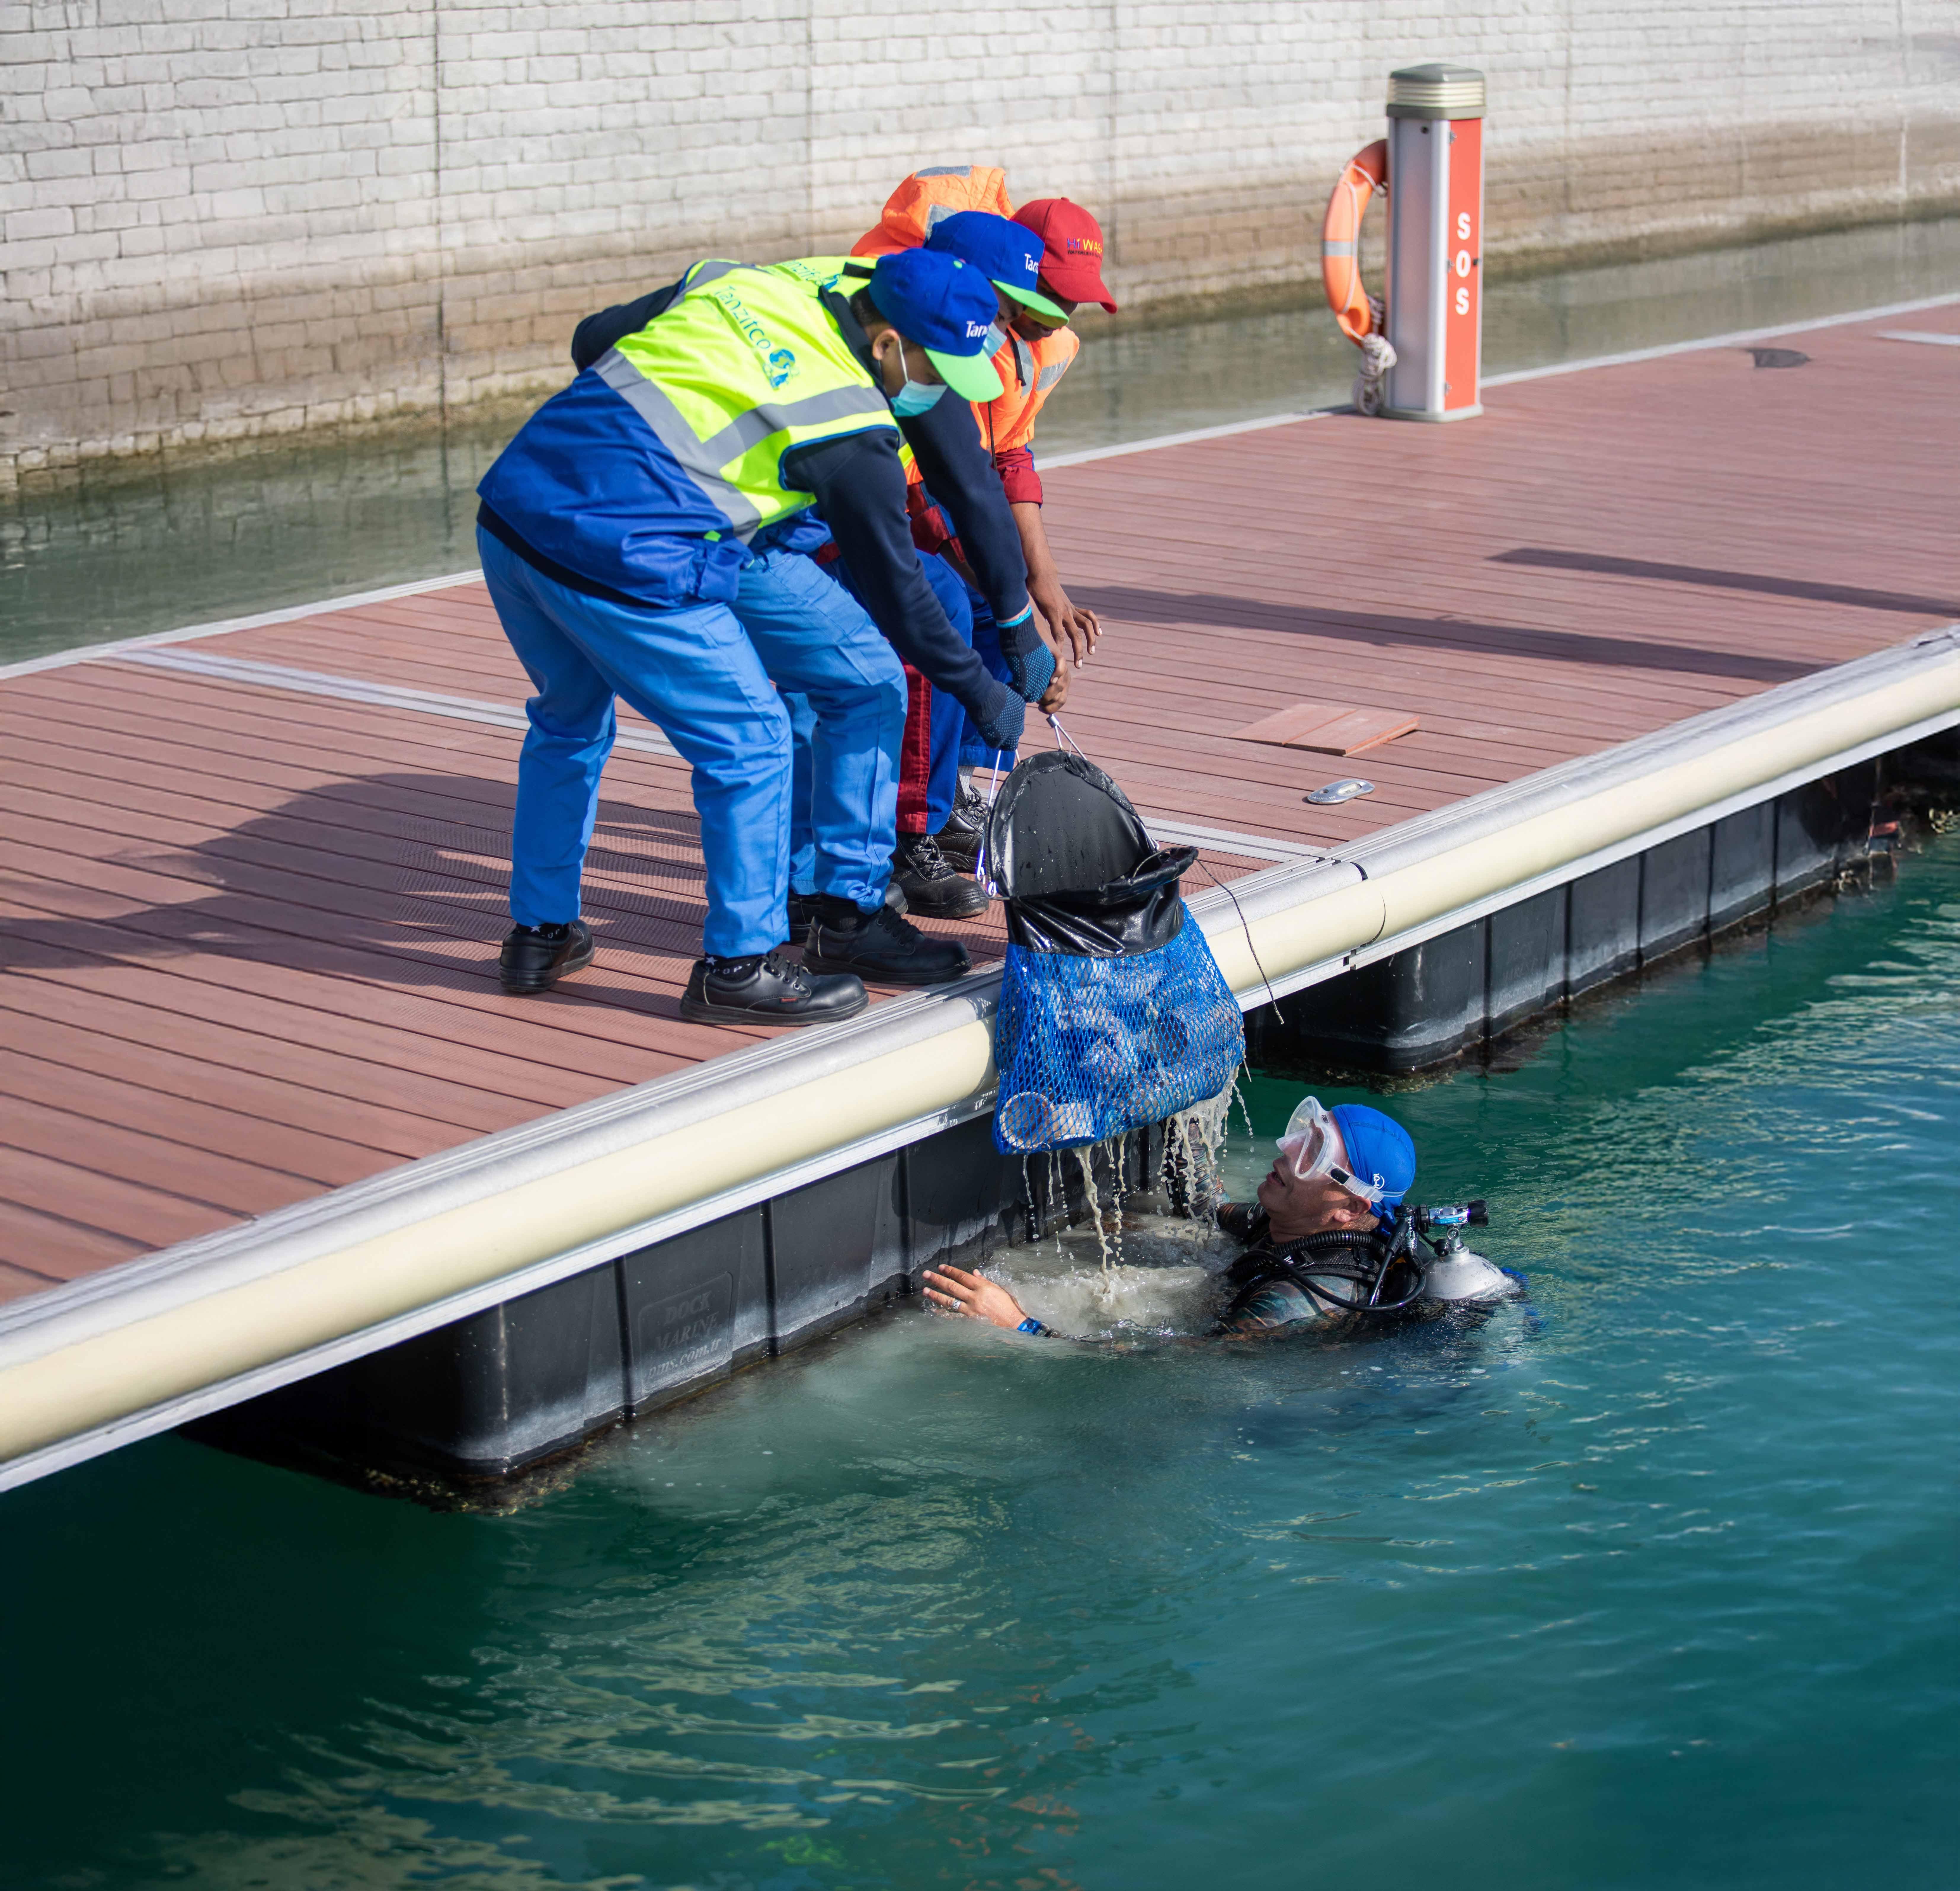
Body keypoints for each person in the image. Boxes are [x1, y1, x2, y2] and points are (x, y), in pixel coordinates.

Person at [476, 247, 1056, 1022]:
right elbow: (901, 591)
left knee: (577, 722)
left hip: (519, 513)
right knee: (750, 740)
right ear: (885, 344)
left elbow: (592, 339)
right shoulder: (849, 424)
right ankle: (737, 966)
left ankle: (545, 933)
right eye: (935, 367)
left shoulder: (764, 279)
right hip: (633, 550)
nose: (943, 388)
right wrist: (983, 691)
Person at [848, 173, 1119, 880]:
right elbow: (936, 490)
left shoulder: (1034, 342)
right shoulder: (941, 329)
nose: (1059, 315)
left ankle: (955, 792)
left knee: (998, 603)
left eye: (1070, 299)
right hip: (881, 503)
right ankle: (916, 831)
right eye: (1047, 297)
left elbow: (1007, 462)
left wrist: (1044, 587)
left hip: (929, 501)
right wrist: (1019, 612)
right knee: (951, 607)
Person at [923, 1097, 1423, 1337]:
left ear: (1351, 1208)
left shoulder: (1293, 1303)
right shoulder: (1297, 1224)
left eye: (1312, 1151)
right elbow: (1207, 1206)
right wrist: (1179, 1104)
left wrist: (1020, 1324)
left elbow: (1166, 1367)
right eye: (1301, 1130)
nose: (1286, 1147)